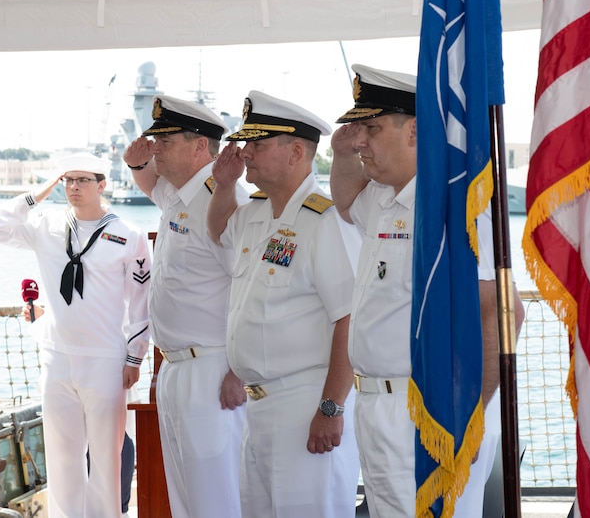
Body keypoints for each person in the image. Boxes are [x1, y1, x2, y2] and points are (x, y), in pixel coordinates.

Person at [329, 64, 525, 517]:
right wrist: (343, 154)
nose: (361, 140)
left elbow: (503, 311)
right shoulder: (385, 197)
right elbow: (344, 202)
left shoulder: (456, 206)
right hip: (379, 409)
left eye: (372, 129)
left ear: (415, 131)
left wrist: (467, 416)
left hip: (429, 416)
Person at [207, 90, 360, 518]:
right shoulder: (257, 212)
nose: (245, 153)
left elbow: (350, 319)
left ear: (296, 152)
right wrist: (224, 185)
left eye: (257, 144)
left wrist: (330, 408)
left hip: (305, 404)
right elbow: (218, 230)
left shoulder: (325, 221)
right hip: (259, 408)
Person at [0, 152, 151, 518]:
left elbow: (142, 302)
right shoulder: (47, 226)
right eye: (68, 180)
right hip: (57, 357)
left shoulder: (128, 235)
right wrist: (39, 193)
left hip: (105, 358)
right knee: (62, 457)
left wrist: (135, 356)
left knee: (106, 458)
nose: (74, 187)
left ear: (102, 184)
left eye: (83, 180)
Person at [123, 95, 248, 518]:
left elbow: (249, 290)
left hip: (214, 371)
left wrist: (239, 369)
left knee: (217, 496)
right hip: (177, 371)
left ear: (200, 147)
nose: (154, 146)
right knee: (186, 497)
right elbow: (150, 186)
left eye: (165, 140)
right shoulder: (178, 195)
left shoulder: (226, 200)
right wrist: (140, 165)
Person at [22, 303, 137, 517]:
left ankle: (119, 509)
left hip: (105, 355)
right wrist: (43, 318)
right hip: (68, 359)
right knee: (78, 447)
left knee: (113, 439)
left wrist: (134, 359)